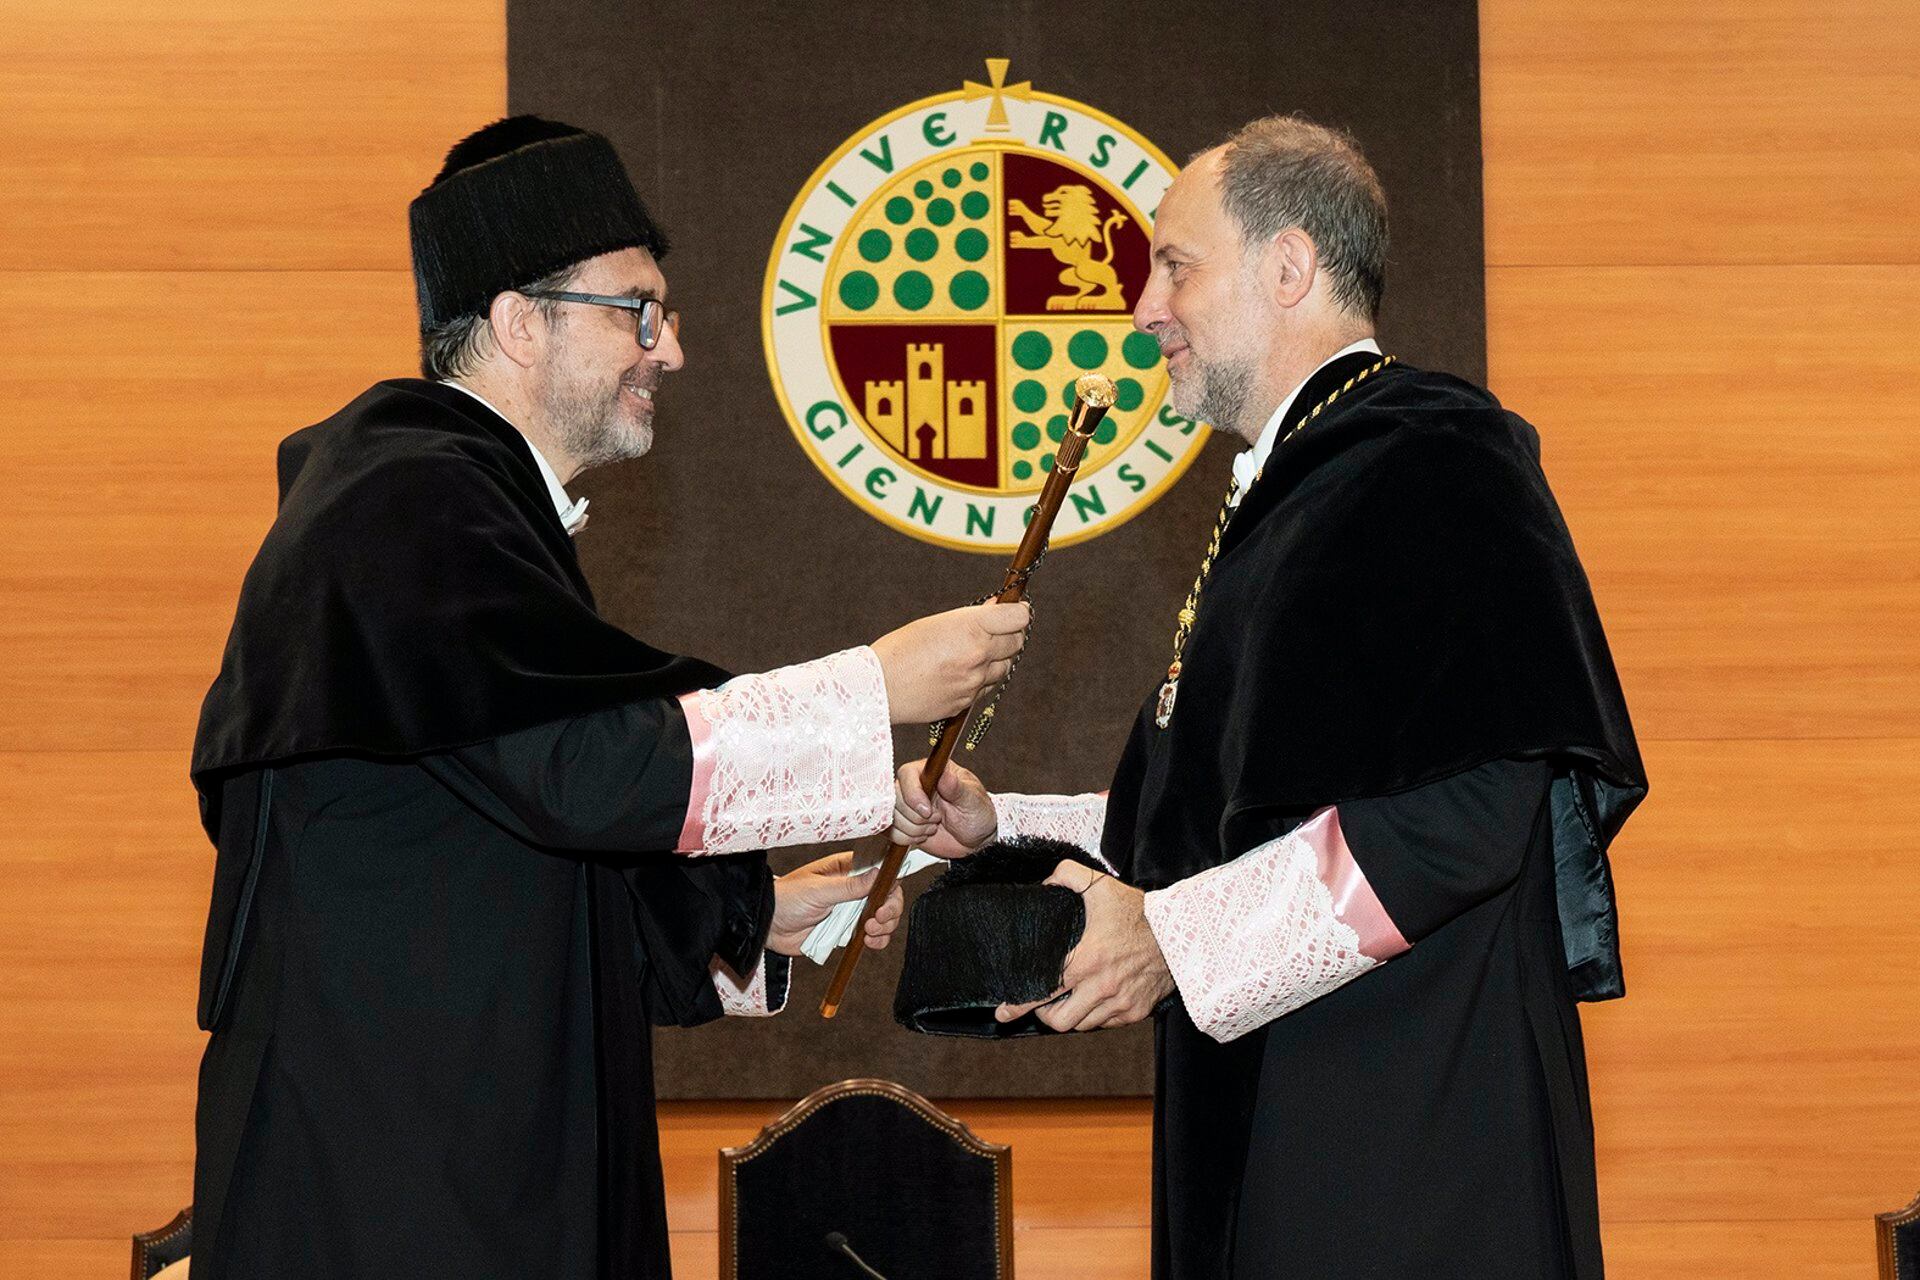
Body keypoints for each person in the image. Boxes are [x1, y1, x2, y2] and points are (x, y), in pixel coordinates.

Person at [188, 115, 1028, 1280]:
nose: (669, 349)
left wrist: (747, 917)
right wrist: (874, 684)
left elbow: (502, 853)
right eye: (638, 309)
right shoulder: (407, 502)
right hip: (396, 1185)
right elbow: (576, 767)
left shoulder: (445, 498)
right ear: (519, 323)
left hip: (444, 1153)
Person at [892, 115, 1646, 1279]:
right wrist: (1010, 826)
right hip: (1289, 1113)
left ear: (1290, 266)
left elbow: (1475, 803)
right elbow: (1227, 819)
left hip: (1410, 1144)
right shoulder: (1299, 487)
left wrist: (1176, 936)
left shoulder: (1439, 457)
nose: (1145, 308)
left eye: (1175, 265)